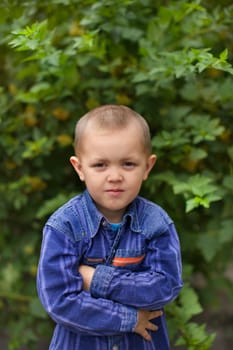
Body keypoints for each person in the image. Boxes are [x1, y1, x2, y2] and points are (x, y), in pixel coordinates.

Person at [37, 104, 183, 350]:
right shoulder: (64, 226)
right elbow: (59, 301)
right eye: (100, 165)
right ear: (79, 168)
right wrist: (130, 319)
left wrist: (96, 279)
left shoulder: (156, 223)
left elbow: (165, 286)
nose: (114, 176)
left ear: (147, 167)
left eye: (128, 164)